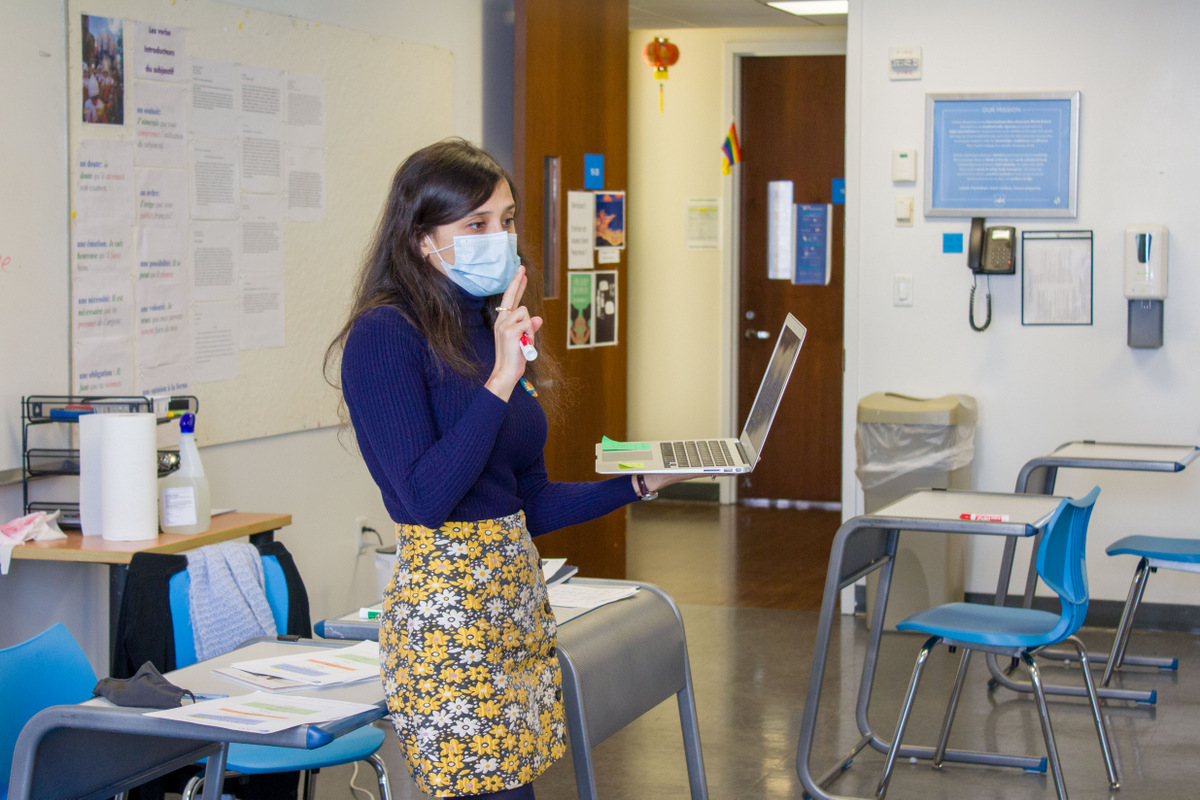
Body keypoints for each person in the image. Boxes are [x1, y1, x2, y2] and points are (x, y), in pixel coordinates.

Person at [327, 138, 697, 799]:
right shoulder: (385, 336)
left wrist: (639, 483)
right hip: (449, 622)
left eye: (506, 220)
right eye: (476, 224)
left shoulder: (484, 323)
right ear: (421, 239)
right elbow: (423, 500)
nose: (499, 238)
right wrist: (501, 379)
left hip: (513, 603)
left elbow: (530, 501)